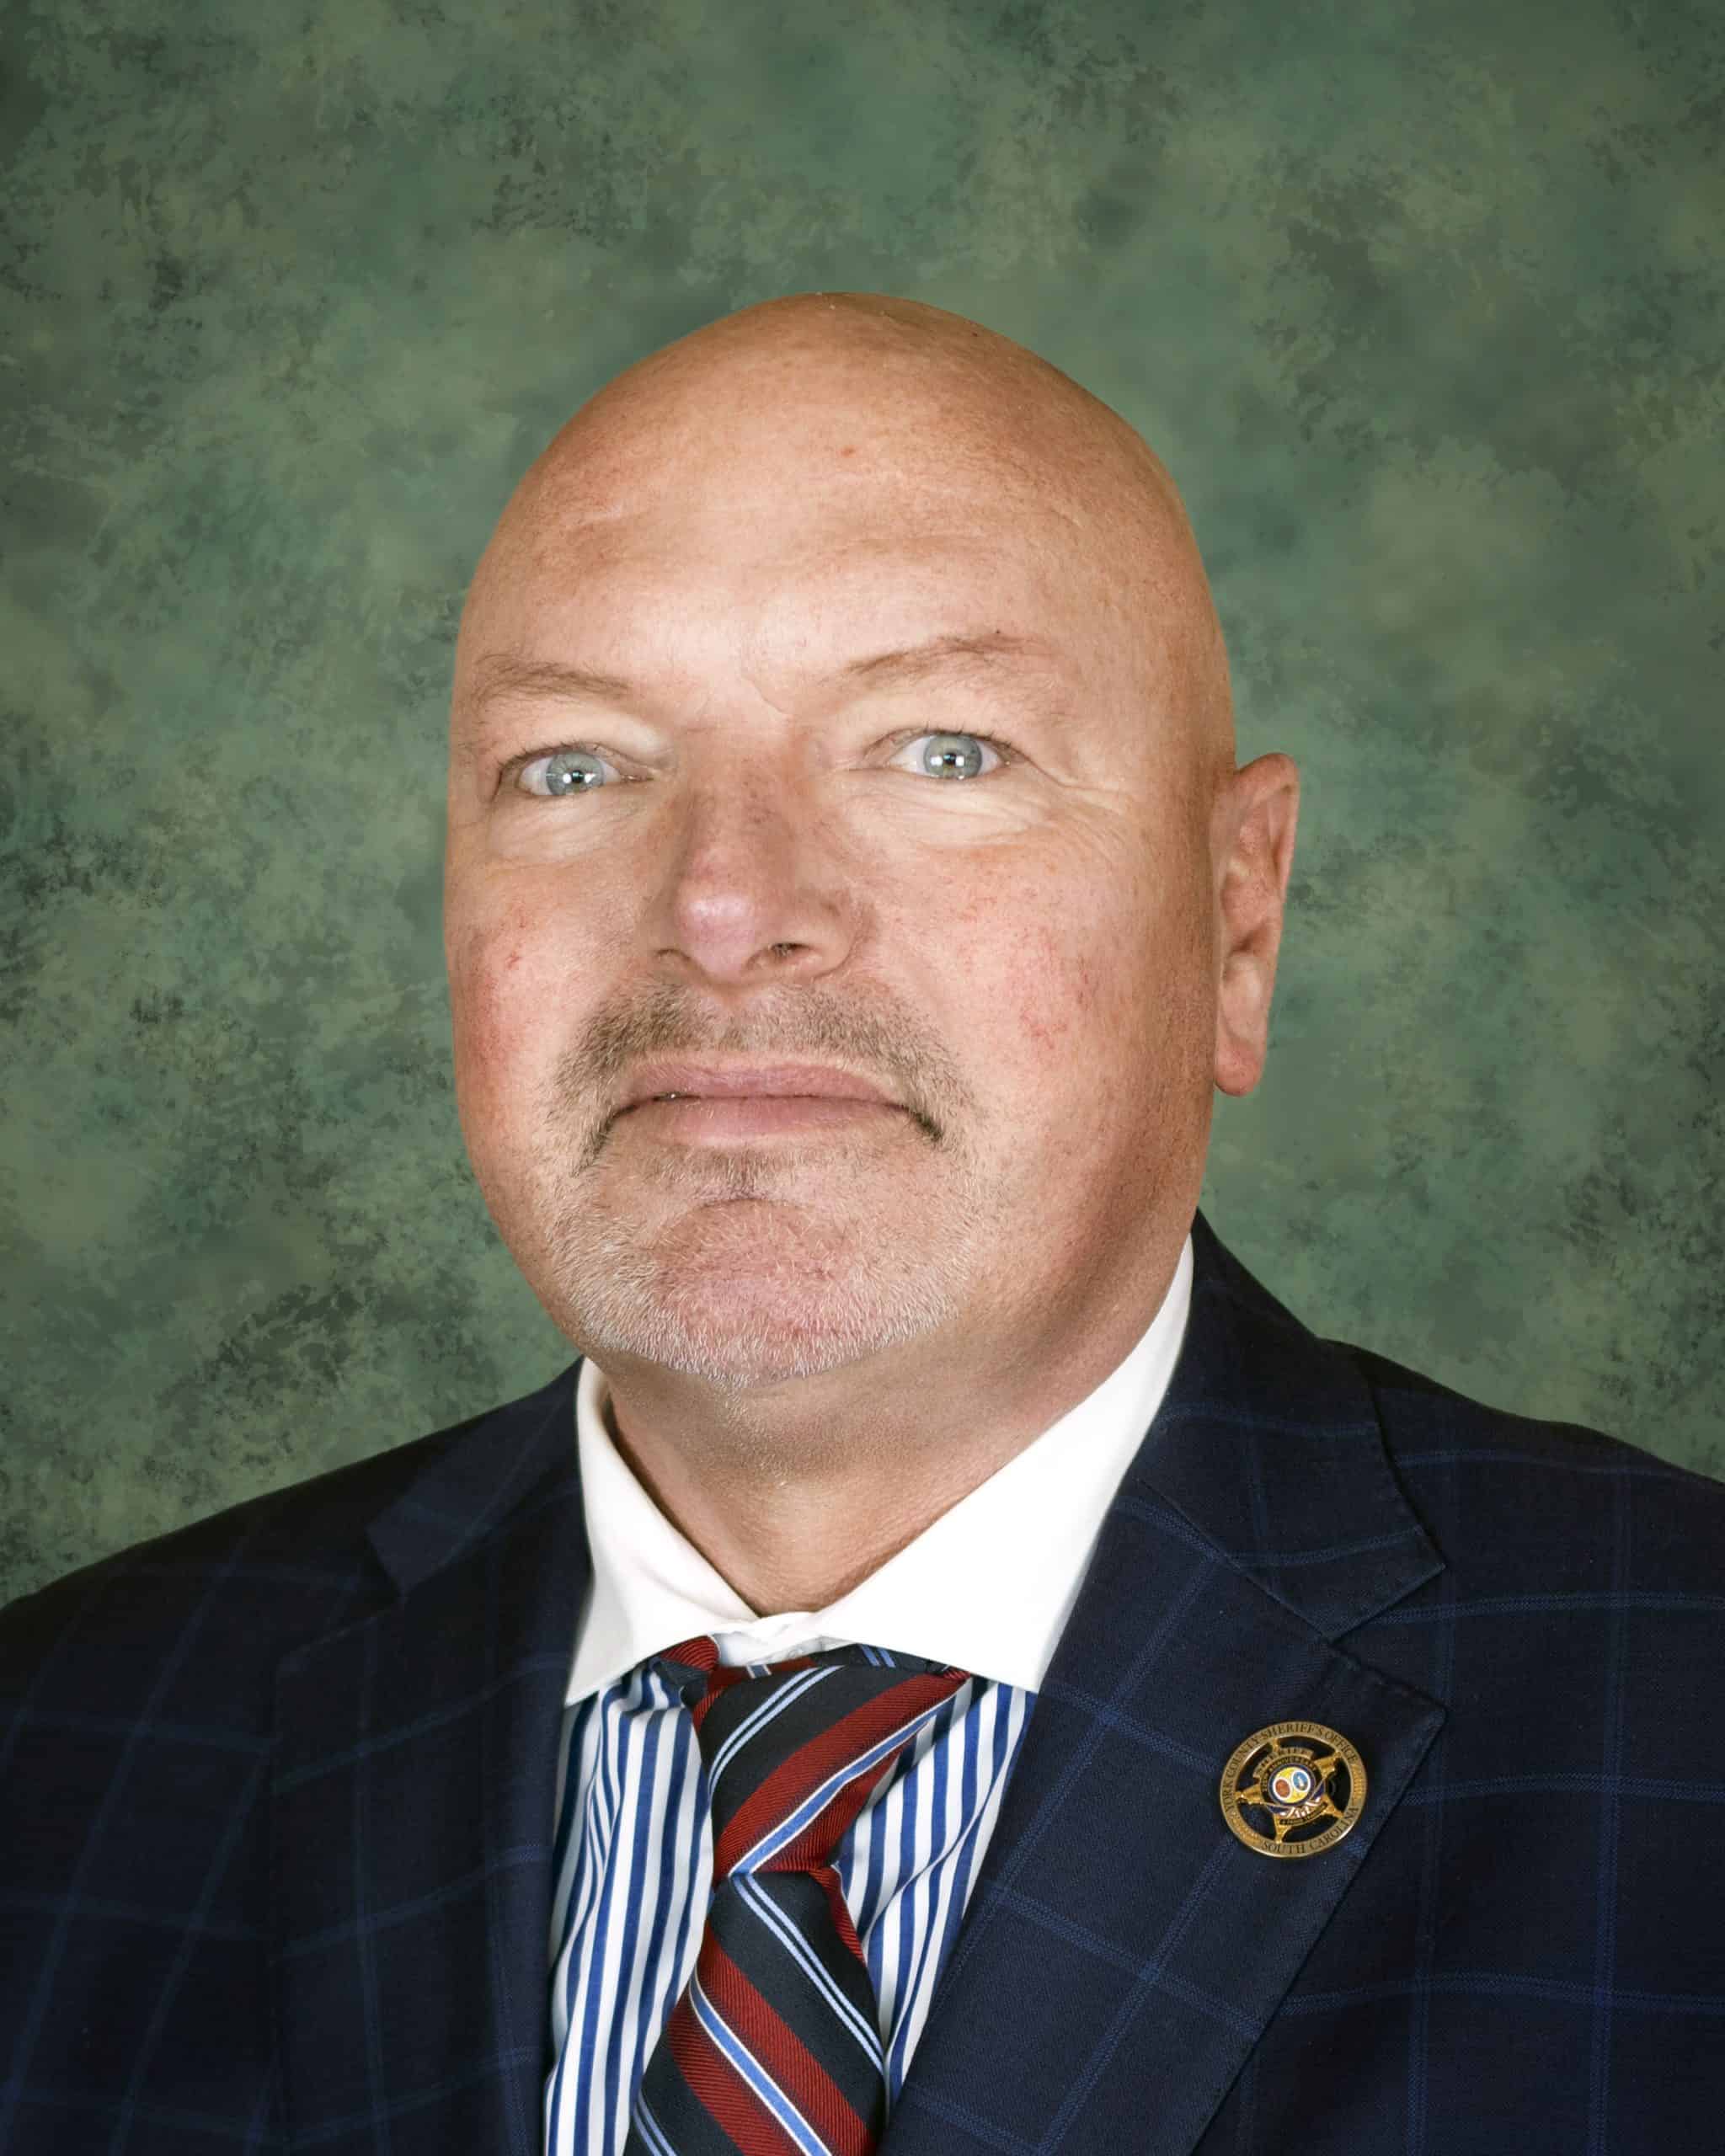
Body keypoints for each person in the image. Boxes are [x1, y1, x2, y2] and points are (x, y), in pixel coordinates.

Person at [1, 292, 1718, 2156]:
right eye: (574, 766)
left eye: (940, 749)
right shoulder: (59, 1757)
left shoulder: (1676, 1720)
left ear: (1236, 920)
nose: (728, 905)